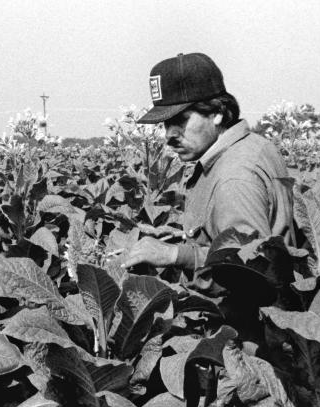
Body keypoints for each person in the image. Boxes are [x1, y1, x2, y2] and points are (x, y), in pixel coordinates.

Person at [119, 52, 294, 271]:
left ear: (217, 113)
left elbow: (252, 267)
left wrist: (175, 254)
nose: (169, 134)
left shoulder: (235, 176)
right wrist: (180, 237)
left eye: (180, 120)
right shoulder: (254, 146)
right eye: (166, 124)